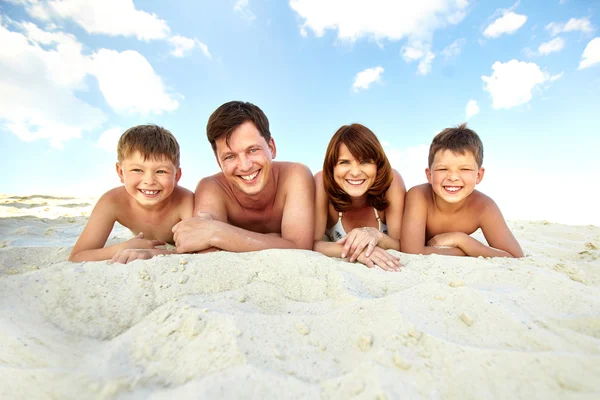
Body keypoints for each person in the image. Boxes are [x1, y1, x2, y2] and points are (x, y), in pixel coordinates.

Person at [172, 101, 315, 253]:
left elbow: (300, 248)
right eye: (230, 157)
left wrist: (219, 232)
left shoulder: (295, 175)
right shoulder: (212, 187)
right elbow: (205, 249)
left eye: (253, 150)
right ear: (219, 162)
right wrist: (278, 240)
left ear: (271, 148)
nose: (245, 166)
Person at [69, 125, 194, 264]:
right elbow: (78, 256)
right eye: (137, 170)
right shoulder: (112, 202)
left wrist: (152, 254)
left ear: (177, 176)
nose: (149, 181)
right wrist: (123, 247)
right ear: (121, 172)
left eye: (161, 171)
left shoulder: (185, 201)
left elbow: (198, 252)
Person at [401, 123, 524, 258]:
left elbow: (515, 256)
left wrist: (461, 240)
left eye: (464, 169)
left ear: (478, 175)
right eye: (443, 169)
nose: (453, 177)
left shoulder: (485, 207)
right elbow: (411, 251)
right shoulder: (419, 196)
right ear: (429, 175)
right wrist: (464, 251)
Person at [313, 124, 406, 271]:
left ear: (378, 165)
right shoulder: (320, 183)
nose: (355, 172)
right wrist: (358, 250)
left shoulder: (392, 181)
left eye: (365, 162)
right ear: (332, 167)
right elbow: (311, 243)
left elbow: (403, 245)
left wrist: (378, 236)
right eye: (344, 162)